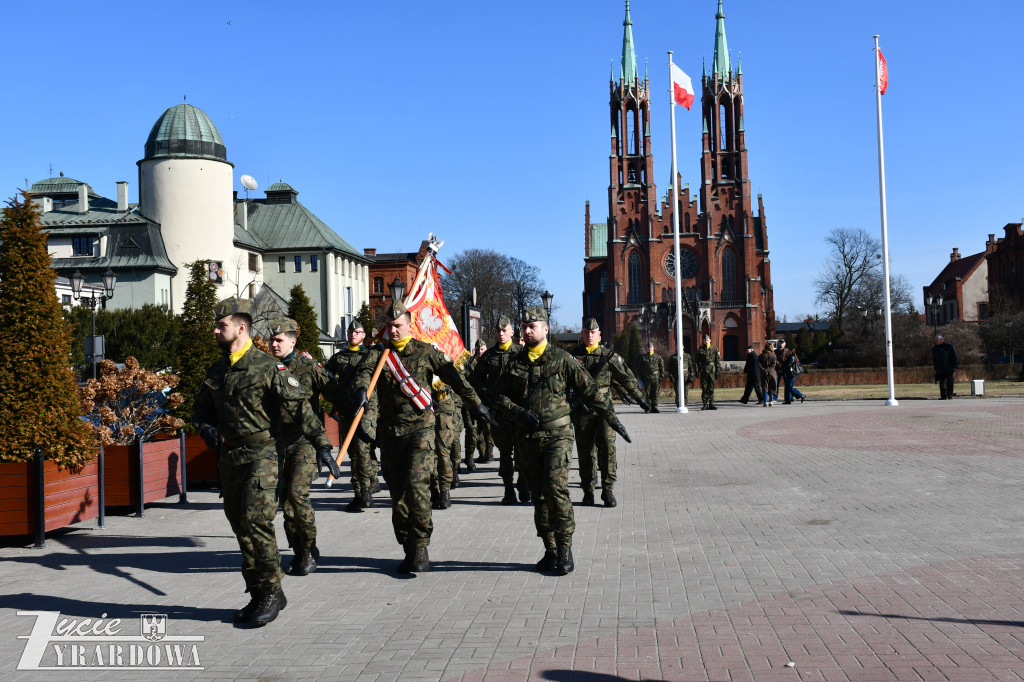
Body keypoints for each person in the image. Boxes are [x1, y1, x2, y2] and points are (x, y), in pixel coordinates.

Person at [193, 298, 336, 627]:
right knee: (240, 527)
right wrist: (206, 428)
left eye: (221, 326)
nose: (215, 331)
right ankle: (261, 591)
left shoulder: (268, 367)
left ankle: (270, 593)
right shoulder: (218, 369)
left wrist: (322, 446)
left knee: (256, 523)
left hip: (263, 455)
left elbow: (301, 408)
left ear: (240, 327)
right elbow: (201, 409)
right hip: (230, 458)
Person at [352, 301, 494, 573]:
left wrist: (476, 403)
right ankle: (407, 544)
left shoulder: (426, 351)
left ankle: (420, 546)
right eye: (390, 326)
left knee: (417, 487)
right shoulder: (378, 353)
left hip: (421, 429)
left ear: (409, 325)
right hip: (391, 433)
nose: (394, 331)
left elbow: (454, 376)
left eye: (399, 326)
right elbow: (364, 374)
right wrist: (361, 390)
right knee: (398, 493)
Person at [490, 306, 631, 575]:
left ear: (546, 329)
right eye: (524, 326)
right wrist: (517, 411)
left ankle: (565, 549)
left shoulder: (562, 359)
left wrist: (613, 420)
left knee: (556, 490)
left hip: (558, 436)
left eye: (533, 326)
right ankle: (550, 549)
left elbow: (590, 390)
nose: (528, 330)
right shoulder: (514, 363)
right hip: (528, 438)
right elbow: (499, 397)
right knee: (539, 496)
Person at [267, 317, 342, 577]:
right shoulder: (267, 367)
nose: (273, 344)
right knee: (285, 502)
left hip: (306, 440)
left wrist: (354, 404)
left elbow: (334, 391)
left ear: (292, 341)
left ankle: (307, 551)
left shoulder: (308, 367)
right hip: (276, 443)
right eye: (271, 339)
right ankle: (300, 550)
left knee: (297, 495)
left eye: (278, 340)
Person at [571, 318, 650, 507]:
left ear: (599, 334)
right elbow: (563, 383)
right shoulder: (572, 357)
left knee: (607, 449)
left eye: (593, 332)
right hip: (582, 411)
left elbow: (626, 378)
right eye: (586, 332)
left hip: (605, 412)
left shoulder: (608, 356)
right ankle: (588, 491)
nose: (590, 335)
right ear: (582, 334)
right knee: (585, 452)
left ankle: (607, 490)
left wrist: (641, 399)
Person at [469, 315, 528, 505]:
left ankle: (523, 483)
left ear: (512, 332)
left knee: (522, 452)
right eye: (498, 331)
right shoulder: (488, 356)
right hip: (499, 413)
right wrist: (488, 394)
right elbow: (476, 381)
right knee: (504, 453)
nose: (501, 334)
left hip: (518, 411)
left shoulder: (522, 353)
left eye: (505, 330)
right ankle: (509, 489)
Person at [325, 320, 381, 512]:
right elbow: (325, 378)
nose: (353, 335)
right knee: (353, 451)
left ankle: (363, 493)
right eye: (351, 332)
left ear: (364, 335)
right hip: (347, 408)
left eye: (358, 332)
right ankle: (370, 482)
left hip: (367, 408)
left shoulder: (372, 356)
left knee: (361, 449)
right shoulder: (339, 357)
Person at [693, 334, 721, 410]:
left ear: (710, 340)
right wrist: (696, 371)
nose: (706, 341)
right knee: (704, 388)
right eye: (705, 340)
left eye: (707, 340)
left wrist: (718, 370)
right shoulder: (700, 350)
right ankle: (705, 404)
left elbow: (717, 361)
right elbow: (696, 362)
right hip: (704, 370)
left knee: (711, 388)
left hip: (712, 371)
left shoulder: (714, 349)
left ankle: (711, 404)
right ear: (703, 341)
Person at [635, 343, 665, 413]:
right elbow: (639, 369)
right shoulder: (643, 357)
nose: (650, 348)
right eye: (648, 347)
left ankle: (654, 407)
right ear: (647, 349)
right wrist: (642, 377)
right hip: (647, 378)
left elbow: (661, 367)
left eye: (651, 347)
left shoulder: (657, 356)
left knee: (655, 393)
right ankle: (648, 407)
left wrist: (661, 376)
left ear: (653, 348)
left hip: (655, 378)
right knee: (647, 393)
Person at [776, 339, 805, 404]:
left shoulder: (792, 357)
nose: (787, 352)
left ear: (790, 351)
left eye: (788, 351)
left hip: (791, 373)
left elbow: (788, 365)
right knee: (788, 387)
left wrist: (782, 365)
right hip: (789, 373)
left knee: (789, 387)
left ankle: (800, 395)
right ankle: (788, 400)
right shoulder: (790, 356)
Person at [932, 334, 958, 400]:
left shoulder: (949, 346)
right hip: (940, 368)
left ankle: (950, 395)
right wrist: (936, 368)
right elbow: (934, 359)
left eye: (937, 340)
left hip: (949, 367)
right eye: (936, 340)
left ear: (941, 340)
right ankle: (943, 396)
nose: (936, 341)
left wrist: (955, 366)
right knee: (942, 383)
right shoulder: (935, 348)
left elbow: (954, 357)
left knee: (950, 382)